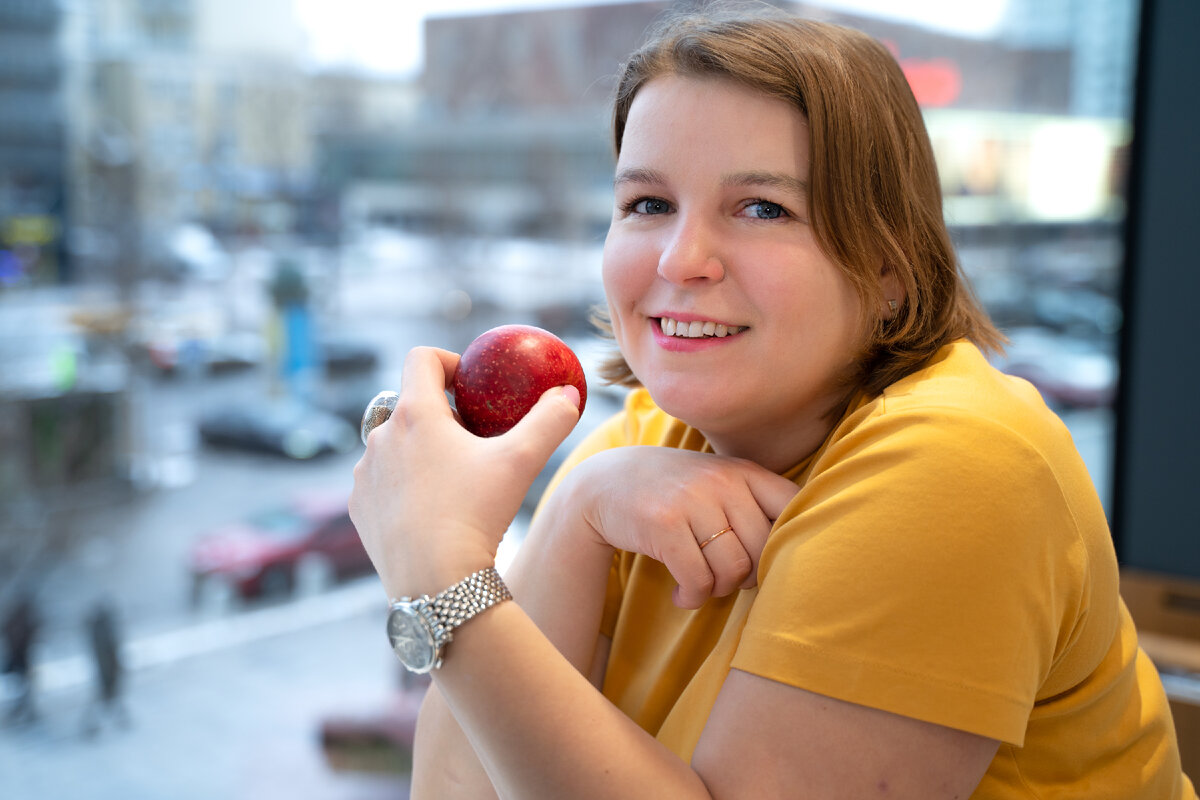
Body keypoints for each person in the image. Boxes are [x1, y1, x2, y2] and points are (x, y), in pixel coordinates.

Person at [350, 7, 1195, 798]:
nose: (683, 260)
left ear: (891, 267)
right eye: (647, 203)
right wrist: (571, 511)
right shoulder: (649, 436)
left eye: (762, 207)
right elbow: (463, 787)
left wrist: (439, 565)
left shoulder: (961, 465)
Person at [81, 600, 129, 736]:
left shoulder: (97, 629)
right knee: (106, 695)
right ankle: (92, 723)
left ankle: (97, 723)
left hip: (105, 667)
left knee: (108, 696)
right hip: (106, 668)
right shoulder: (103, 629)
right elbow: (109, 650)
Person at [2, 592, 39, 725]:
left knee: (24, 682)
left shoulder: (21, 620)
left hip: (22, 655)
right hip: (18, 655)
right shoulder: (18, 620)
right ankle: (21, 705)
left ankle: (23, 705)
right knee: (20, 682)